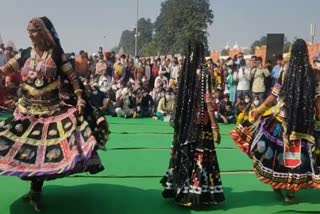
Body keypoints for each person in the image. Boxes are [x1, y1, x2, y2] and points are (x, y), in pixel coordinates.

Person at [0, 17, 109, 211]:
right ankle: (35, 190)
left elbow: (72, 78)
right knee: (24, 151)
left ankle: (36, 192)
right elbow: (4, 70)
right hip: (26, 112)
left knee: (44, 154)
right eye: (28, 31)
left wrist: (80, 97)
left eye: (33, 31)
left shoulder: (57, 55)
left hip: (51, 111)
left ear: (42, 32)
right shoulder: (25, 54)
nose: (30, 35)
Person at [230, 39, 320, 204]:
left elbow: (274, 96)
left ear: (292, 54)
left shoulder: (286, 72)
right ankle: (291, 193)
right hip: (303, 125)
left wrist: (258, 110)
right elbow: (316, 101)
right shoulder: (312, 74)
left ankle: (277, 184)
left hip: (282, 120)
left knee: (278, 154)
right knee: (297, 157)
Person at [161, 42, 225, 208]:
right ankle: (199, 194)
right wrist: (215, 126)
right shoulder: (204, 72)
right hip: (201, 124)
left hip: (186, 123)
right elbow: (208, 101)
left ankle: (180, 191)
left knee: (185, 154)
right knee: (201, 157)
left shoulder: (185, 71)